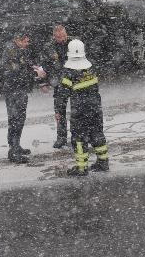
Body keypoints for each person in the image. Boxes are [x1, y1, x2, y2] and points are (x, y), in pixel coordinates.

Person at [58, 39, 109, 177]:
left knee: (79, 138)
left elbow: (62, 95)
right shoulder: (91, 68)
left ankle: (81, 168)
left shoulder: (69, 72)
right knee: (97, 133)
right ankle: (103, 162)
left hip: (79, 111)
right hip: (96, 108)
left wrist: (59, 111)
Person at [0, 28, 40, 164]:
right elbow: (14, 70)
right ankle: (14, 151)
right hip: (14, 90)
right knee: (16, 120)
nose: (27, 44)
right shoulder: (11, 50)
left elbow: (24, 63)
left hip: (19, 89)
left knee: (18, 119)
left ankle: (16, 146)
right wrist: (33, 73)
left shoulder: (19, 50)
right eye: (25, 41)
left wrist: (34, 68)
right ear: (18, 40)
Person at [37, 24, 70, 148]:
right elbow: (42, 66)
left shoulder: (74, 43)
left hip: (75, 81)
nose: (62, 38)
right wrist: (42, 83)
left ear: (66, 33)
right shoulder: (49, 47)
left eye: (63, 35)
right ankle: (61, 138)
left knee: (79, 111)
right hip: (60, 83)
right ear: (54, 36)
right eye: (59, 36)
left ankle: (80, 135)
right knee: (59, 112)